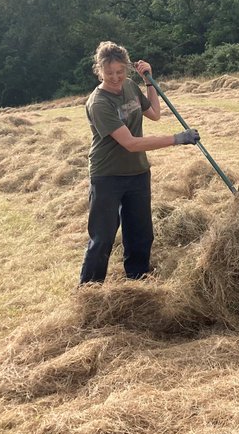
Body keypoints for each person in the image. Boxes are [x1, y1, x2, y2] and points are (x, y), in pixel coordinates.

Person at [79, 41, 200, 285]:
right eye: (109, 72)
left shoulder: (131, 87)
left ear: (126, 68)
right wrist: (177, 139)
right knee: (102, 237)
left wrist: (149, 82)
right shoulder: (99, 102)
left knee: (141, 234)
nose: (115, 77)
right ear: (99, 71)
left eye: (120, 71)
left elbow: (155, 113)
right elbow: (131, 143)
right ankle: (89, 292)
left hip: (137, 172)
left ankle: (138, 282)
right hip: (108, 175)